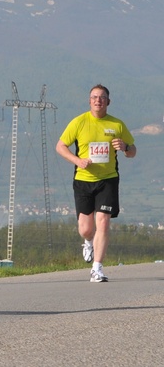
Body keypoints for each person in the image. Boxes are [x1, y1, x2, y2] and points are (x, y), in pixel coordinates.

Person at [54, 84, 135, 283]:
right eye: (94, 97)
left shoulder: (117, 125)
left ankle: (97, 268)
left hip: (107, 180)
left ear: (108, 101)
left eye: (102, 97)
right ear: (89, 101)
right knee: (86, 228)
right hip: (83, 180)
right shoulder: (79, 122)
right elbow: (60, 146)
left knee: (104, 222)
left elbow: (132, 151)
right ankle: (88, 241)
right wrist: (77, 161)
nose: (98, 100)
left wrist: (124, 147)